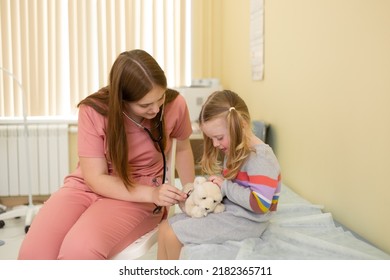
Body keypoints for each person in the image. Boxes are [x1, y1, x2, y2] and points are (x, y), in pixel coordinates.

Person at [18, 49, 195, 259]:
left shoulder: (176, 105)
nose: (156, 109)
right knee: (33, 254)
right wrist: (152, 194)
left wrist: (190, 191)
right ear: (121, 100)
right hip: (86, 186)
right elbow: (95, 178)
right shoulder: (93, 110)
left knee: (79, 251)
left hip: (140, 192)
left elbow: (183, 148)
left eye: (160, 98)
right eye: (145, 105)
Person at [157, 89, 281, 260]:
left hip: (248, 222)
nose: (215, 144)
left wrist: (224, 186)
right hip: (232, 211)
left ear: (241, 125)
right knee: (165, 227)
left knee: (173, 235)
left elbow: (261, 204)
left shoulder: (261, 157)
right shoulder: (235, 150)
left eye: (219, 137)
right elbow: (230, 188)